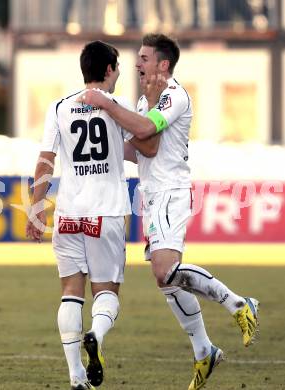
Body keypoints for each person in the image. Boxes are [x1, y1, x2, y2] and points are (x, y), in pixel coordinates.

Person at [78, 33, 259, 390]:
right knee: (168, 284)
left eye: (144, 58)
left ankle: (239, 303)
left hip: (171, 192)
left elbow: (145, 131)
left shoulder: (174, 96)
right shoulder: (151, 99)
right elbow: (144, 147)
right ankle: (204, 350)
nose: (137, 63)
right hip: (152, 195)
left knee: (167, 271)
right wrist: (96, 147)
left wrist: (107, 106)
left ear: (163, 64)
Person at [26, 40, 157, 390]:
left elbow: (45, 161)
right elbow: (148, 142)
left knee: (70, 292)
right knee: (107, 292)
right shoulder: (117, 106)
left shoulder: (59, 107)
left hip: (68, 214)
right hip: (107, 212)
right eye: (118, 68)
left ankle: (75, 376)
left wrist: (36, 208)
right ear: (110, 70)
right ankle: (95, 335)